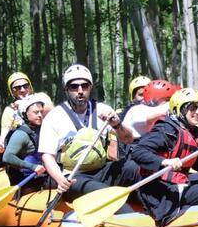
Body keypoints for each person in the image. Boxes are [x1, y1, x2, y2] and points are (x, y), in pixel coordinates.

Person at [131, 88, 198, 225]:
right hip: (159, 191)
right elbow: (138, 152)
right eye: (192, 108)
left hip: (175, 182)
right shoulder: (166, 130)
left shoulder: (191, 131)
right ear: (180, 110)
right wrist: (164, 162)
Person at [38, 64, 137, 201]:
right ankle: (124, 215)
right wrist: (60, 179)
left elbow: (128, 139)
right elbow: (47, 156)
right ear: (66, 89)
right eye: (74, 86)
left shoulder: (103, 109)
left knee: (133, 168)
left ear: (90, 87)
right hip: (73, 175)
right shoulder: (54, 117)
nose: (80, 90)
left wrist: (117, 124)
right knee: (100, 191)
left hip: (102, 170)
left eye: (84, 86)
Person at [0, 72, 53, 154]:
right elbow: (4, 132)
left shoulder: (41, 97)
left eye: (25, 86)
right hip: (28, 151)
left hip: (47, 145)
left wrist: (25, 103)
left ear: (30, 86)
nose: (22, 90)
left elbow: (51, 110)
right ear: (12, 91)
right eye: (17, 88)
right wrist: (0, 143)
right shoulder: (10, 110)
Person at [1, 93, 49, 192]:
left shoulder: (44, 129)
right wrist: (33, 167)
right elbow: (7, 157)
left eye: (41, 112)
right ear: (25, 114)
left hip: (42, 177)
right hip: (25, 180)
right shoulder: (21, 134)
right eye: (36, 112)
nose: (40, 115)